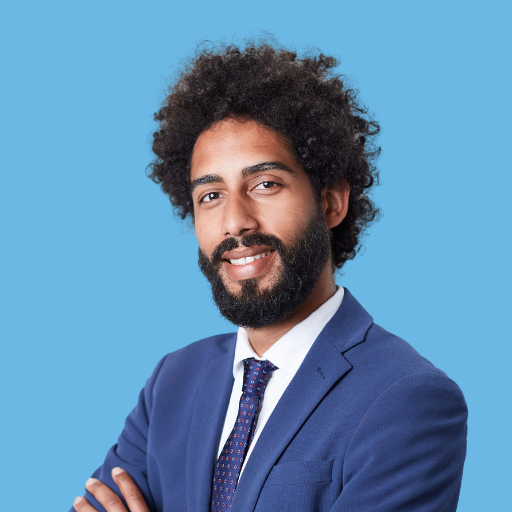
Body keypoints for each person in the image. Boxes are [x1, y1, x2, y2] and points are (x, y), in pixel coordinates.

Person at [71, 41, 468, 512]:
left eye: (265, 184)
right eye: (210, 195)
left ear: (331, 202)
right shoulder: (172, 382)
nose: (235, 222)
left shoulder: (408, 398)